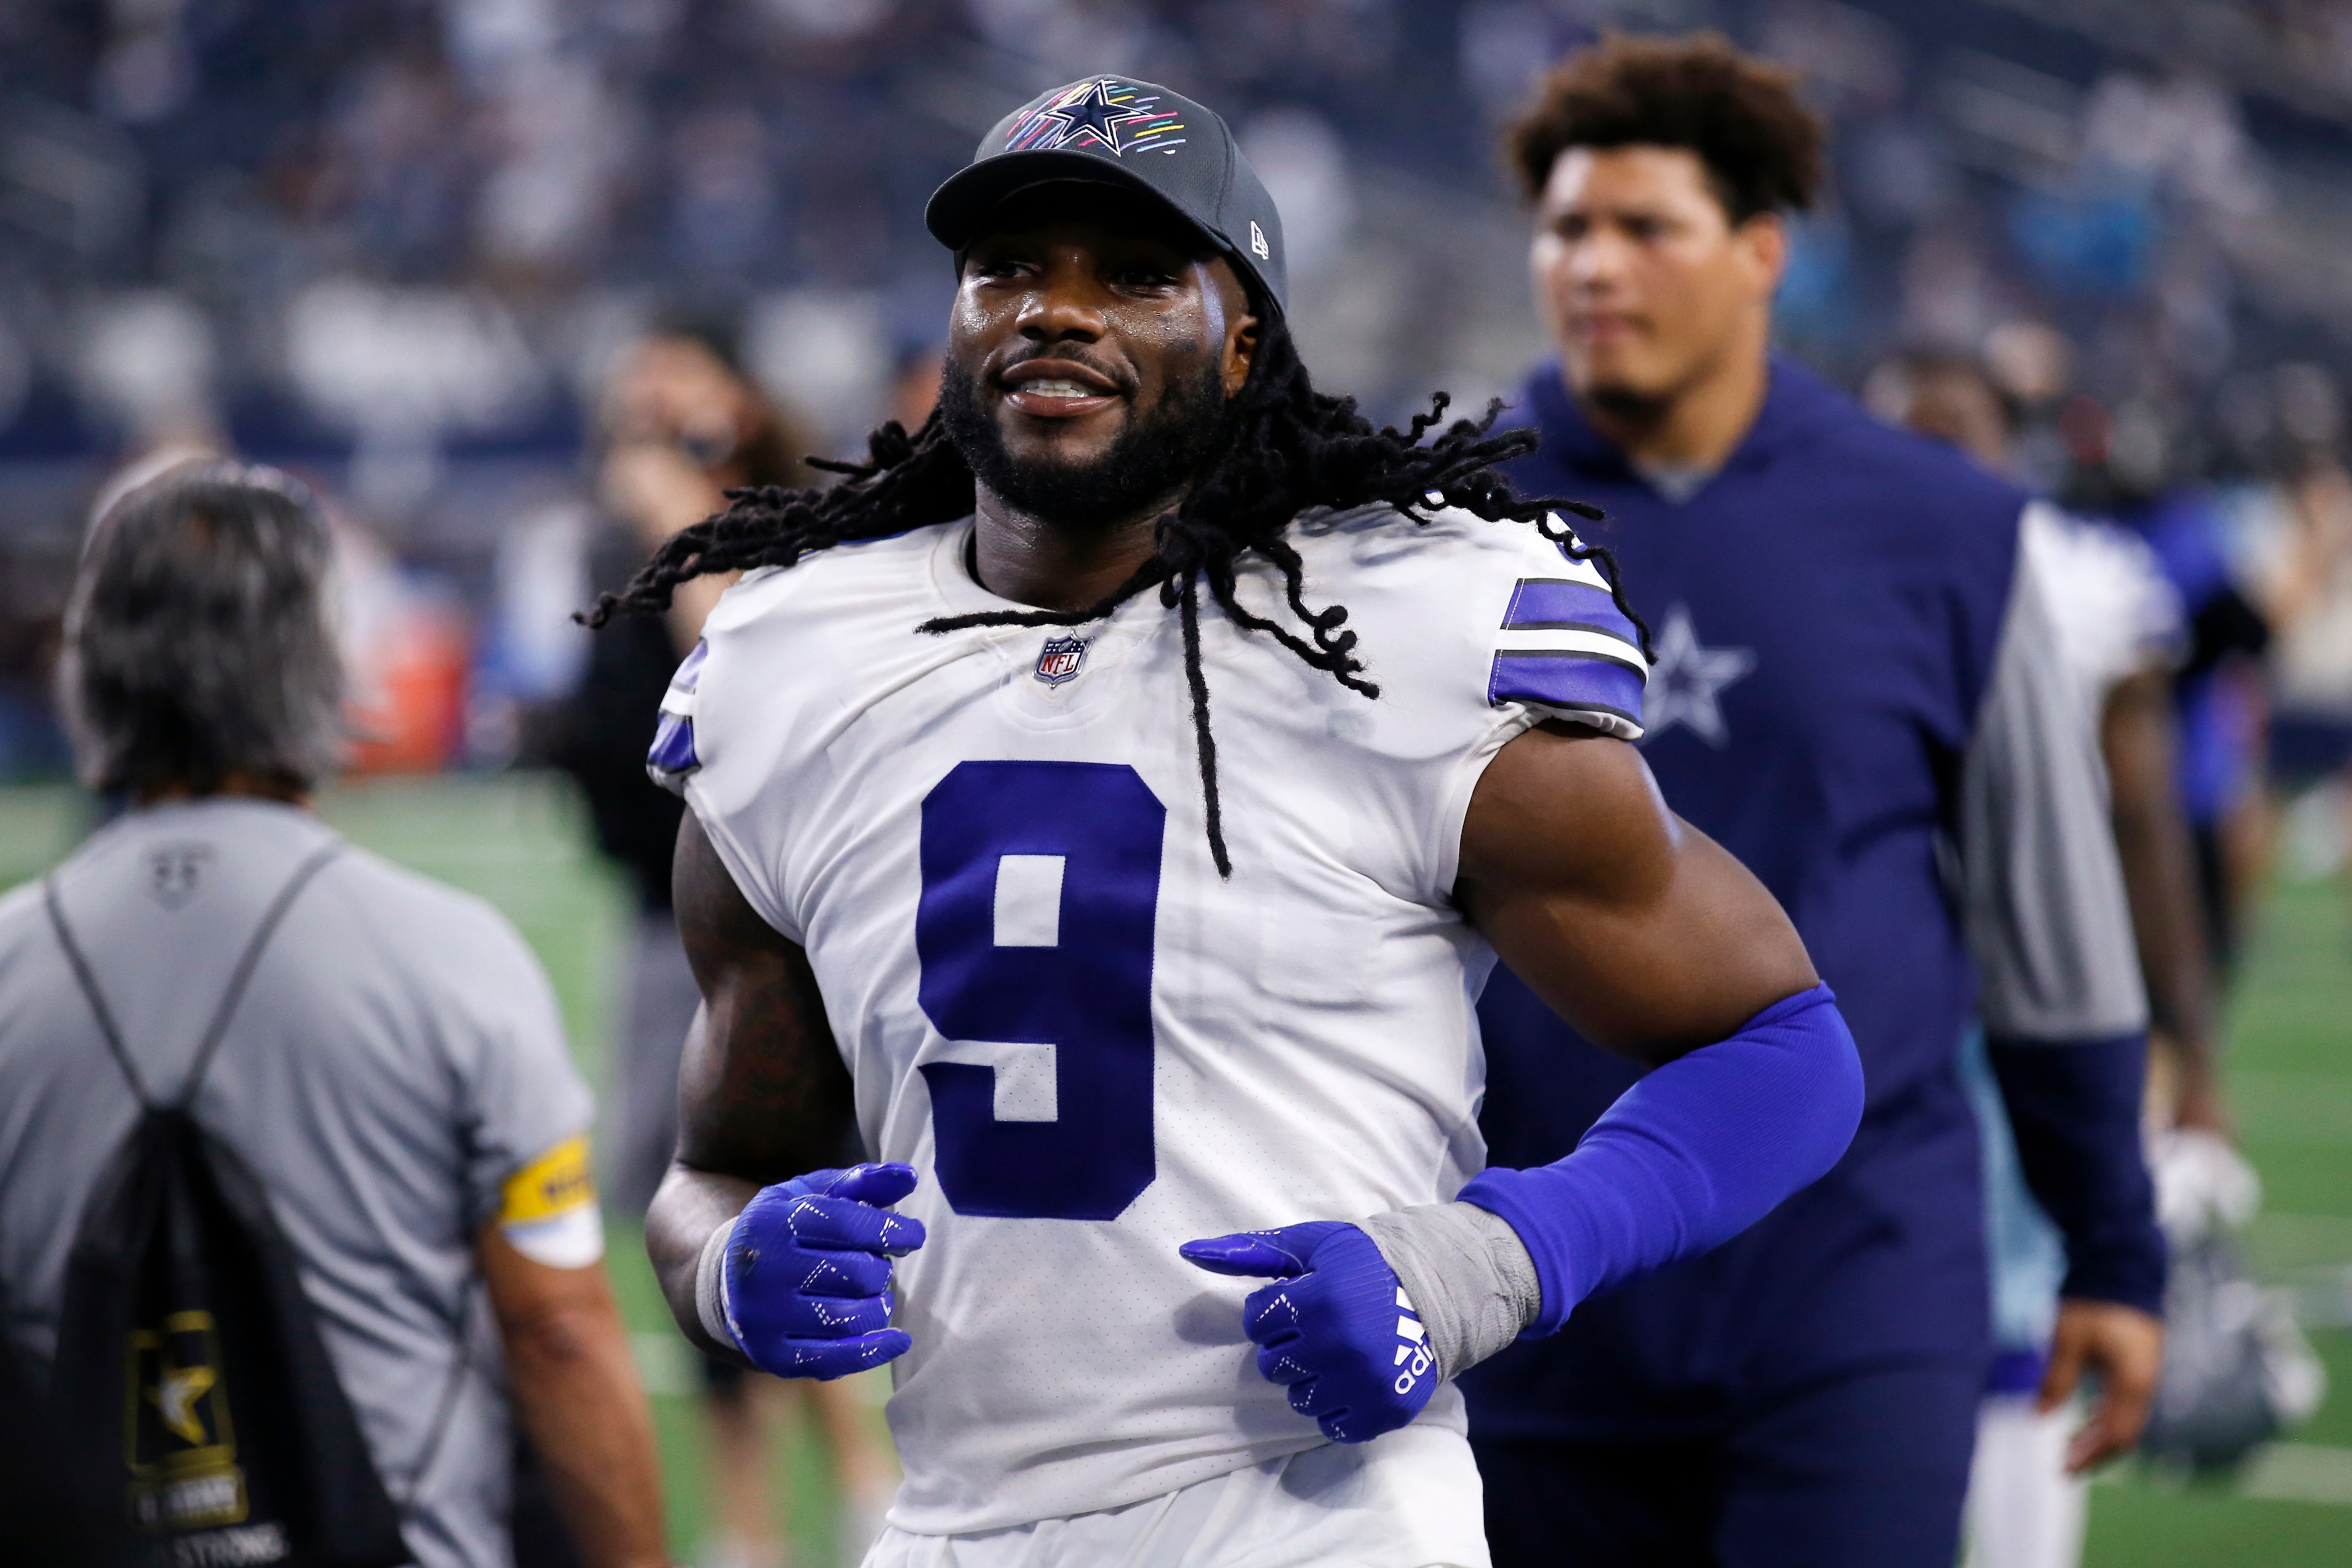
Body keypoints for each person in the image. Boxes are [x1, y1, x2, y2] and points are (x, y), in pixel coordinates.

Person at [595, 75, 1867, 1568]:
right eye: (1007, 269)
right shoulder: (789, 663)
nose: (1053, 311)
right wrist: (732, 1266)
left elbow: (1783, 1048)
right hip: (953, 1524)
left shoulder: (1402, 624)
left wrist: (1485, 1257)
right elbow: (712, 1169)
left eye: (1134, 274)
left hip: (1315, 1521)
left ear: (1242, 333)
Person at [1462, 37, 2168, 1568]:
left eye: (1642, 228)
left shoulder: (1945, 529)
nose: (1591, 265)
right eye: (1565, 229)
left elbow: (2048, 932)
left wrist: (2112, 1247)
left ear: (1761, 250)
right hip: (1523, 1281)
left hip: (1851, 1291)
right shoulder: (1429, 520)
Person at [0, 461, 669, 1568]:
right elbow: (558, 1330)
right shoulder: (451, 958)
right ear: (322, 661)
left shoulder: (12, 962)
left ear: (89, 666)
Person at [555, 312, 894, 1568]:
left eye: (675, 370)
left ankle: (852, 1488)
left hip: (773, 927)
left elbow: (738, 669)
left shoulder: (778, 523)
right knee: (690, 1219)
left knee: (786, 1199)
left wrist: (667, 517)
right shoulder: (615, 520)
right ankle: (750, 1522)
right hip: (661, 917)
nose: (648, 397)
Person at [1872, 347, 2216, 1568]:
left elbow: (2147, 830)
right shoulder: (1825, 558)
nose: (1926, 458)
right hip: (1851, 1000)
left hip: (2030, 1000)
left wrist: (2191, 1042)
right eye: (1902, 431)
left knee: (2024, 1312)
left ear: (2010, 446)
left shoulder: (2083, 582)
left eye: (1953, 431)